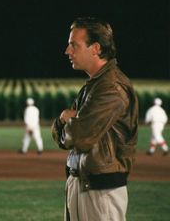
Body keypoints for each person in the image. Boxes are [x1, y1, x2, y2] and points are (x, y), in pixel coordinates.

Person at [51, 17, 138, 221]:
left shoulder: (111, 87)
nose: (67, 51)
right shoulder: (93, 86)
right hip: (81, 183)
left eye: (74, 45)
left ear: (96, 48)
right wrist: (66, 119)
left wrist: (68, 120)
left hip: (100, 190)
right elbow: (62, 135)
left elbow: (80, 137)